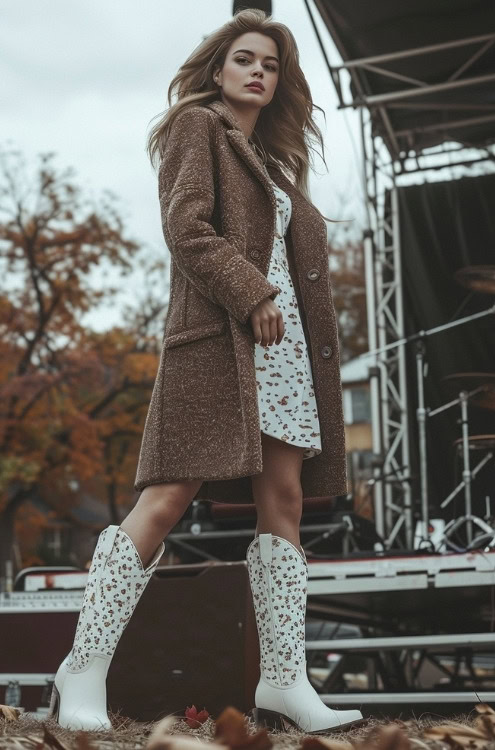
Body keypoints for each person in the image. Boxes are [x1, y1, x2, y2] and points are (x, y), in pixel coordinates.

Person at [48, 8, 365, 735]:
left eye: (272, 65)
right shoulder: (198, 129)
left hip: (280, 351)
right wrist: (252, 293)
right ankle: (84, 664)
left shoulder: (274, 161)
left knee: (283, 500)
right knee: (167, 497)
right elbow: (186, 226)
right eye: (246, 59)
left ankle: (286, 682)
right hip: (221, 341)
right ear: (218, 69)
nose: (259, 71)